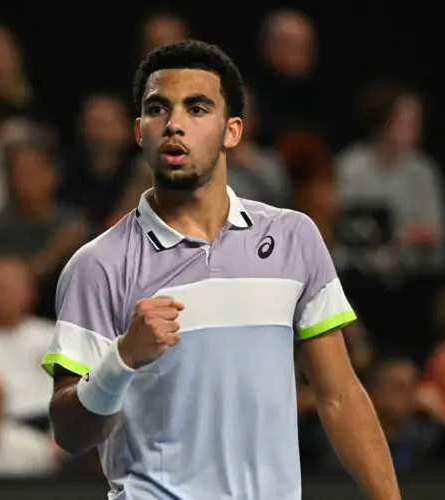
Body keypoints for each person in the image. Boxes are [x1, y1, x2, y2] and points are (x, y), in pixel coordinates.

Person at [43, 40, 400, 499]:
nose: (173, 124)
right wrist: (122, 358)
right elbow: (71, 434)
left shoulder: (294, 237)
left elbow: (340, 394)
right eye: (157, 109)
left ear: (232, 131)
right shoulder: (98, 265)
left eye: (196, 109)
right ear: (139, 132)